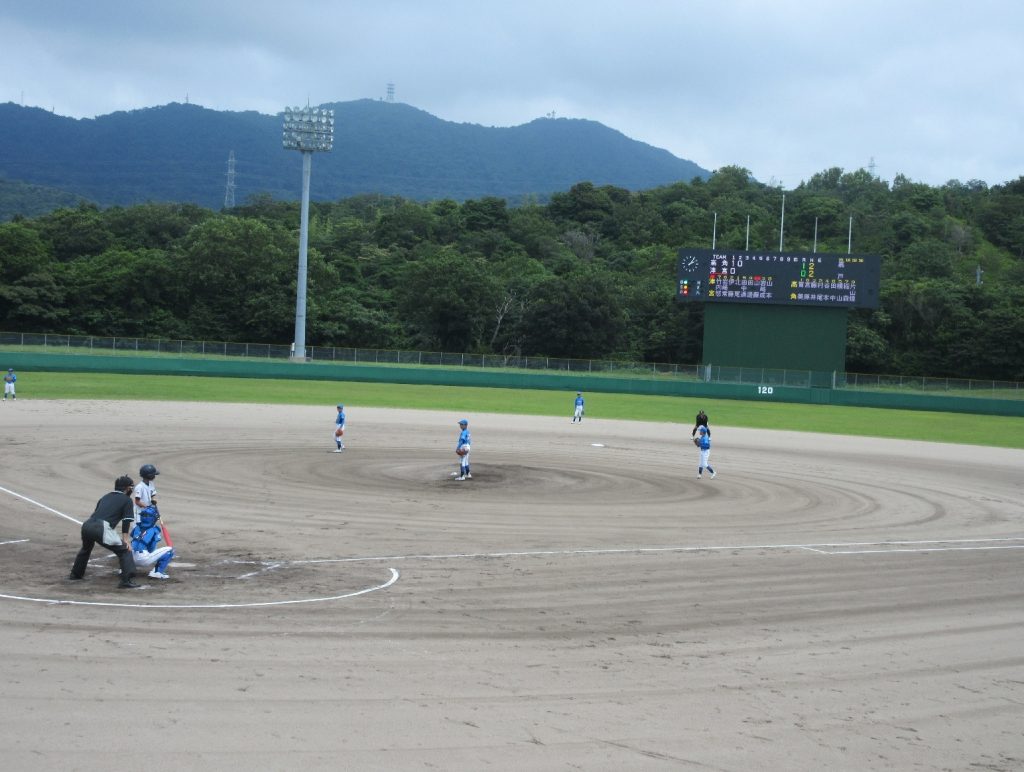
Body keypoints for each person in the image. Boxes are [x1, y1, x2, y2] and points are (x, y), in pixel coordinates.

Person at [68, 475, 141, 588]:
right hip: (101, 527)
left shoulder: (105, 496)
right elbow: (126, 521)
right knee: (125, 551)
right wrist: (126, 540)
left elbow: (97, 512)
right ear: (127, 488)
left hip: (87, 525)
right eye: (131, 487)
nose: (132, 489)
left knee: (86, 549)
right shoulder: (127, 500)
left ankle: (75, 574)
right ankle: (126, 580)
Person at [131, 505, 175, 580]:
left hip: (129, 558)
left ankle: (124, 569)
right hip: (143, 559)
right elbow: (151, 548)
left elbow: (133, 538)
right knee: (170, 550)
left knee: (127, 547)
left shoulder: (137, 527)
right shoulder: (154, 529)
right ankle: (157, 572)